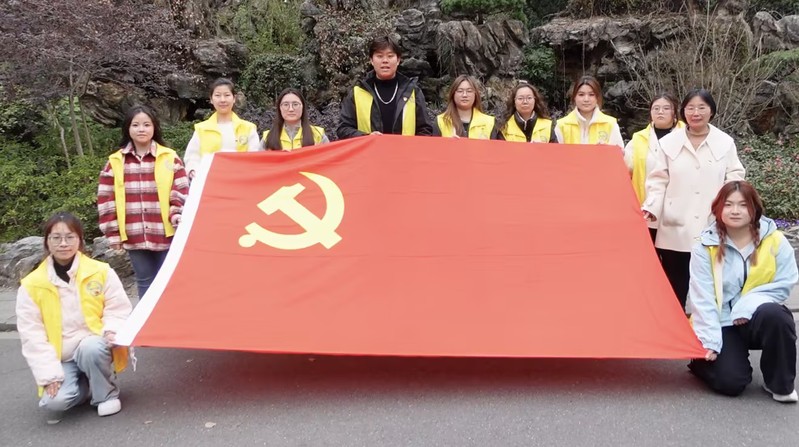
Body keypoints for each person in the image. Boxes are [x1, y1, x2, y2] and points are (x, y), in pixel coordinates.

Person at [17, 212, 133, 422]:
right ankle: (84, 384)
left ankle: (105, 394)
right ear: (47, 242)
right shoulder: (32, 284)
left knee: (91, 348)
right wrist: (49, 374)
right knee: (55, 403)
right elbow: (31, 335)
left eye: (70, 237)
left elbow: (118, 308)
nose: (63, 243)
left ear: (80, 240)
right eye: (56, 237)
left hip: (93, 345)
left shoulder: (101, 271)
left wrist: (111, 330)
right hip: (62, 356)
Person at [687, 181, 798, 402]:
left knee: (777, 316)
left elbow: (785, 283)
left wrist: (746, 306)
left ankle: (779, 385)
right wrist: (710, 342)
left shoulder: (775, 240)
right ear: (718, 209)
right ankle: (699, 361)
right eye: (728, 204)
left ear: (754, 208)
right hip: (722, 322)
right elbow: (703, 298)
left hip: (758, 316)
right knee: (731, 383)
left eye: (743, 205)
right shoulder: (704, 247)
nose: (735, 211)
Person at [642, 89, 746, 310]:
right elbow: (658, 180)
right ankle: (674, 327)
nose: (695, 113)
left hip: (712, 224)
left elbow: (735, 176)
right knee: (674, 287)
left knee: (710, 287)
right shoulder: (669, 142)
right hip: (675, 227)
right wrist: (651, 208)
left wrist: (729, 207)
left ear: (711, 111)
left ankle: (709, 328)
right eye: (690, 108)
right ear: (683, 111)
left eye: (701, 108)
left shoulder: (724, 142)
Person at [97, 105, 190, 299]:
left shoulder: (169, 157)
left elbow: (181, 190)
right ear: (128, 128)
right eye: (136, 125)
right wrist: (113, 233)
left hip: (166, 233)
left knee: (169, 283)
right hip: (134, 234)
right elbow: (106, 198)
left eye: (147, 125)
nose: (141, 129)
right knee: (145, 281)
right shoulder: (115, 161)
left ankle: (170, 318)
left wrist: (177, 215)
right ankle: (148, 319)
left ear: (154, 127)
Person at [337, 35, 433, 139]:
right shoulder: (358, 92)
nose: (385, 60)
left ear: (398, 60)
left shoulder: (412, 91)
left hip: (405, 149)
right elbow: (343, 128)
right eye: (379, 56)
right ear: (371, 60)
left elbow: (425, 129)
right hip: (370, 149)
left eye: (390, 56)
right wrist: (366, 137)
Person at [623, 93, 684, 242]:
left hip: (679, 212)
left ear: (674, 111)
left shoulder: (686, 136)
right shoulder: (638, 138)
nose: (660, 112)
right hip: (646, 208)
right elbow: (625, 168)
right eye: (656, 108)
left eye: (666, 108)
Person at [183, 78, 260, 179]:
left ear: (234, 98)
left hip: (241, 180)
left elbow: (255, 157)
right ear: (211, 99)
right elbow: (192, 156)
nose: (222, 100)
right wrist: (193, 170)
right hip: (209, 181)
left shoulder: (248, 128)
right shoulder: (202, 129)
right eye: (218, 95)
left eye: (227, 95)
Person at [554, 75, 624, 149]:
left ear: (597, 97)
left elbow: (619, 153)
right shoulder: (562, 125)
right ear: (574, 97)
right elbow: (555, 153)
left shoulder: (610, 124)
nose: (586, 99)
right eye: (581, 95)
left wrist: (605, 150)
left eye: (591, 95)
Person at [433, 75, 499, 140]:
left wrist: (485, 145)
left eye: (469, 91)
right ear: (453, 94)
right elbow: (434, 146)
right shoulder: (441, 121)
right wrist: (448, 144)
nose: (464, 95)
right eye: (460, 91)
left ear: (475, 94)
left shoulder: (489, 123)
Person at [262, 88, 329, 150]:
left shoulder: (318, 135)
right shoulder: (268, 137)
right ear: (280, 108)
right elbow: (259, 158)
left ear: (303, 107)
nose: (291, 109)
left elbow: (329, 157)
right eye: (286, 105)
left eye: (295, 104)